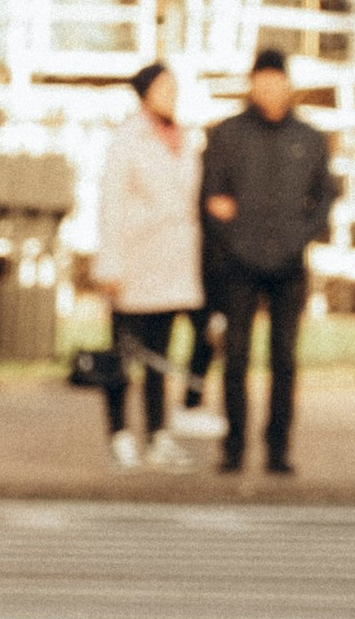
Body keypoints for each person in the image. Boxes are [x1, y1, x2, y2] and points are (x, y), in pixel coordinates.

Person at [199, 49, 334, 479]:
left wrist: (298, 236)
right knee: (236, 358)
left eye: (277, 80)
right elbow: (209, 198)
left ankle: (278, 448)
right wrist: (234, 237)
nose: (270, 89)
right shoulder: (227, 135)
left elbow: (324, 198)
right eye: (262, 80)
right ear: (252, 84)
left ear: (288, 84)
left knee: (284, 359)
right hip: (239, 265)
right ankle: (234, 447)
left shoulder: (310, 139)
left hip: (288, 267)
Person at [90, 61, 201, 470]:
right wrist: (110, 263)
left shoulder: (184, 139)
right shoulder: (127, 139)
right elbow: (111, 202)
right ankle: (119, 433)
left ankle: (157, 434)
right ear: (146, 93)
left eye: (175, 87)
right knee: (123, 355)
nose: (171, 95)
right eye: (164, 87)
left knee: (160, 357)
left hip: (171, 264)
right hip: (133, 262)